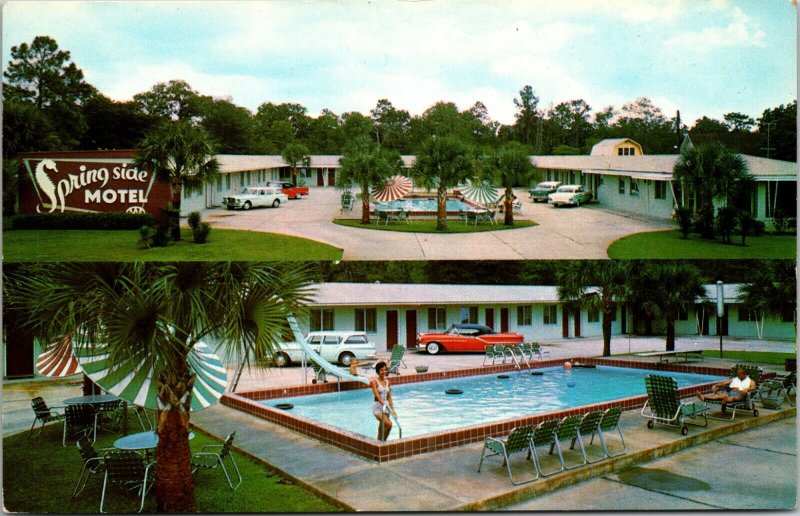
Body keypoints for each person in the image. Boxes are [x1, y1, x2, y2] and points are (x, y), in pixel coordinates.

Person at [370, 361, 397, 441]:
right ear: (378, 371)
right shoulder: (374, 382)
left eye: (385, 369)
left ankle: (379, 441)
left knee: (382, 426)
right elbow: (377, 397)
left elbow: (389, 396)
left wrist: (392, 409)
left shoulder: (388, 382)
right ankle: (383, 442)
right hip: (378, 407)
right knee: (389, 424)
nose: (384, 372)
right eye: (381, 370)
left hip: (386, 407)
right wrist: (384, 405)